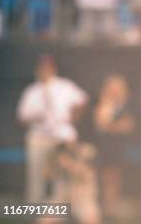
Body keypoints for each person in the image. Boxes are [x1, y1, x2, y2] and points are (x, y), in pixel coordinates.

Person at [16, 55, 88, 203]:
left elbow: (82, 100)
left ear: (54, 69)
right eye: (42, 68)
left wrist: (73, 119)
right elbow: (21, 117)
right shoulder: (32, 91)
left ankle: (58, 211)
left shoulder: (65, 86)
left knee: (61, 175)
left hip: (60, 137)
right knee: (36, 175)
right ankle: (34, 209)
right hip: (38, 136)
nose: (44, 71)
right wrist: (35, 117)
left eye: (47, 67)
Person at [93, 74, 135, 218]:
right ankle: (105, 209)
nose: (115, 90)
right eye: (113, 88)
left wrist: (112, 126)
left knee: (116, 179)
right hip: (106, 148)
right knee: (105, 178)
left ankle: (112, 208)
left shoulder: (125, 106)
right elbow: (101, 124)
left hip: (119, 148)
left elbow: (128, 126)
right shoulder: (104, 104)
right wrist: (115, 126)